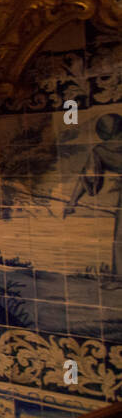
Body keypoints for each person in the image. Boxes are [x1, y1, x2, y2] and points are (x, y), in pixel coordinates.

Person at [65, 112, 122, 288]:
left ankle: (120, 279)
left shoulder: (102, 151)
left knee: (120, 238)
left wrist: (72, 202)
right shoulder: (100, 151)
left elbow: (88, 178)